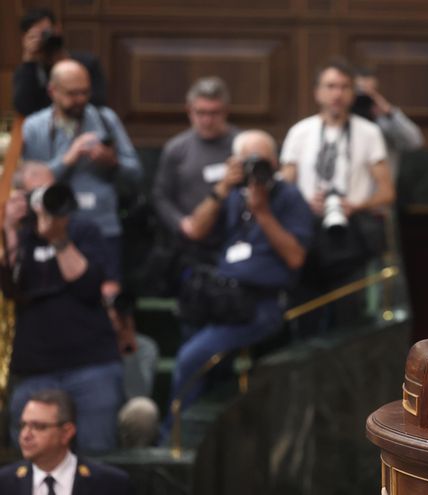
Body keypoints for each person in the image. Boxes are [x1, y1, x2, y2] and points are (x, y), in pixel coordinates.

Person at [165, 129, 312, 423]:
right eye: (248, 162)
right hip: (221, 298)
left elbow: (296, 257)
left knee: (191, 358)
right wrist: (221, 188)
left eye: (263, 161)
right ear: (235, 163)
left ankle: (172, 436)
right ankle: (198, 430)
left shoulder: (290, 197)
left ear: (276, 162)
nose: (257, 169)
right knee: (201, 358)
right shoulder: (231, 194)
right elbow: (195, 229)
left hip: (260, 304)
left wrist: (263, 213)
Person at [21, 59, 142, 350]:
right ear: (52, 90)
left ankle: (112, 355)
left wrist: (112, 162)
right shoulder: (34, 127)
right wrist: (68, 159)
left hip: (104, 227)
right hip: (54, 227)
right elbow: (28, 180)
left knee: (109, 301)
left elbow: (136, 173)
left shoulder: (105, 119)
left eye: (85, 93)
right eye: (72, 93)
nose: (80, 100)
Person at [1, 177, 124, 453]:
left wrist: (58, 239)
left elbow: (88, 286)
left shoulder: (85, 231)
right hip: (35, 370)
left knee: (97, 453)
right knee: (31, 455)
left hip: (91, 366)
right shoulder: (21, 239)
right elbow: (10, 285)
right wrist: (9, 227)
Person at [280, 59, 395, 327]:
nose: (337, 94)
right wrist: (304, 204)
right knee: (305, 316)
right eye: (330, 86)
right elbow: (284, 188)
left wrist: (355, 205)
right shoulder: (300, 132)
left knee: (350, 319)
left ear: (352, 93)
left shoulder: (369, 133)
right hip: (307, 232)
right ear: (317, 92)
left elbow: (387, 192)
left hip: (350, 235)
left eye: (344, 87)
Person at [152, 76, 239, 264]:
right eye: (201, 113)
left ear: (226, 111)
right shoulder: (176, 149)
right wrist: (180, 223)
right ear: (189, 110)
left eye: (214, 113)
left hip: (233, 239)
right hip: (192, 242)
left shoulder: (242, 144)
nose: (207, 120)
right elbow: (161, 195)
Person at [0, 390, 133, 494]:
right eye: (23, 425)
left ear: (66, 432)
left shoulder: (109, 483)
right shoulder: (4, 482)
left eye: (38, 426)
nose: (25, 435)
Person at [13, 8, 107, 116]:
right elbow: (24, 108)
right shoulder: (29, 72)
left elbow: (99, 102)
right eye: (35, 36)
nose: (43, 39)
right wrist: (29, 61)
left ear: (58, 28)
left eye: (45, 33)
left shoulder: (87, 63)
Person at [352, 67, 424, 180]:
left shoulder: (386, 123)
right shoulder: (340, 122)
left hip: (382, 193)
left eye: (370, 92)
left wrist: (390, 112)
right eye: (359, 92)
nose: (364, 98)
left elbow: (415, 141)